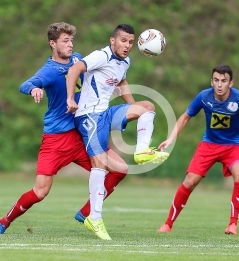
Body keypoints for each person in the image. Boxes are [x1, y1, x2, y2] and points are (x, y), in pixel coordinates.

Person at [0, 22, 128, 235]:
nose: (70, 45)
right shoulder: (49, 71)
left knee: (119, 169)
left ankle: (86, 213)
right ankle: (4, 222)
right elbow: (24, 85)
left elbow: (96, 74)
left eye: (71, 40)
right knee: (40, 191)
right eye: (65, 41)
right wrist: (34, 88)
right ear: (53, 44)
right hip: (57, 139)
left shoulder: (77, 59)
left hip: (82, 133)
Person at [66, 24, 169, 240]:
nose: (127, 45)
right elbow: (75, 70)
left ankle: (141, 151)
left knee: (147, 107)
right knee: (100, 165)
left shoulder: (125, 61)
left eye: (131, 42)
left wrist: (134, 109)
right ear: (112, 40)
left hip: (106, 112)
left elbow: (120, 82)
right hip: (89, 116)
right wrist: (70, 99)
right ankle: (94, 218)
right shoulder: (100, 56)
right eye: (123, 40)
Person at [157, 64, 239, 235]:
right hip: (208, 146)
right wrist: (171, 138)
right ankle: (168, 224)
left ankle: (233, 224)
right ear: (212, 81)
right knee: (189, 182)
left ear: (230, 83)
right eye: (216, 80)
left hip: (233, 147)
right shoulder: (204, 97)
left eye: (224, 81)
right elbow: (185, 117)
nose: (219, 84)